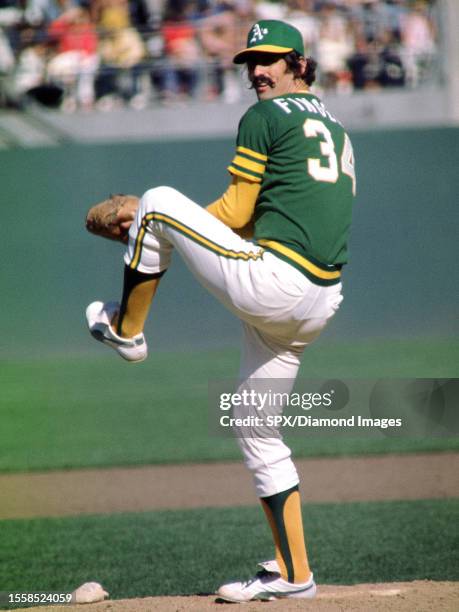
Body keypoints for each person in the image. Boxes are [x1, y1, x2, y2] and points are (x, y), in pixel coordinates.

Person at [85, 19, 356, 602]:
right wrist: (181, 235)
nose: (258, 70)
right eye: (251, 61)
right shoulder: (332, 127)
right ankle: (294, 574)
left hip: (279, 281)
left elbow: (234, 209)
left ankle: (126, 329)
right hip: (317, 301)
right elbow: (271, 215)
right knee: (256, 428)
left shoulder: (265, 117)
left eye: (271, 59)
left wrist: (172, 231)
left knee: (156, 202)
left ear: (300, 64)